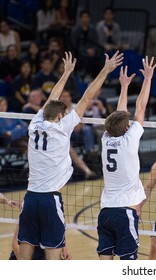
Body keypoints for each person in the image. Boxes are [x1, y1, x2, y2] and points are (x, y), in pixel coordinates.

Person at [17, 50, 123, 260]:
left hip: (29, 198)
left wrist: (66, 73)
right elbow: (87, 97)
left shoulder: (35, 124)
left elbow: (51, 99)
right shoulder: (61, 128)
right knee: (53, 259)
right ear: (59, 115)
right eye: (63, 114)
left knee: (24, 260)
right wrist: (105, 70)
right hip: (50, 200)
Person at [97, 56, 156, 260]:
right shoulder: (129, 139)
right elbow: (140, 108)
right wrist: (148, 78)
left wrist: (124, 87)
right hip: (124, 212)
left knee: (105, 261)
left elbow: (119, 115)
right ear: (126, 128)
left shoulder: (106, 138)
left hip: (105, 211)